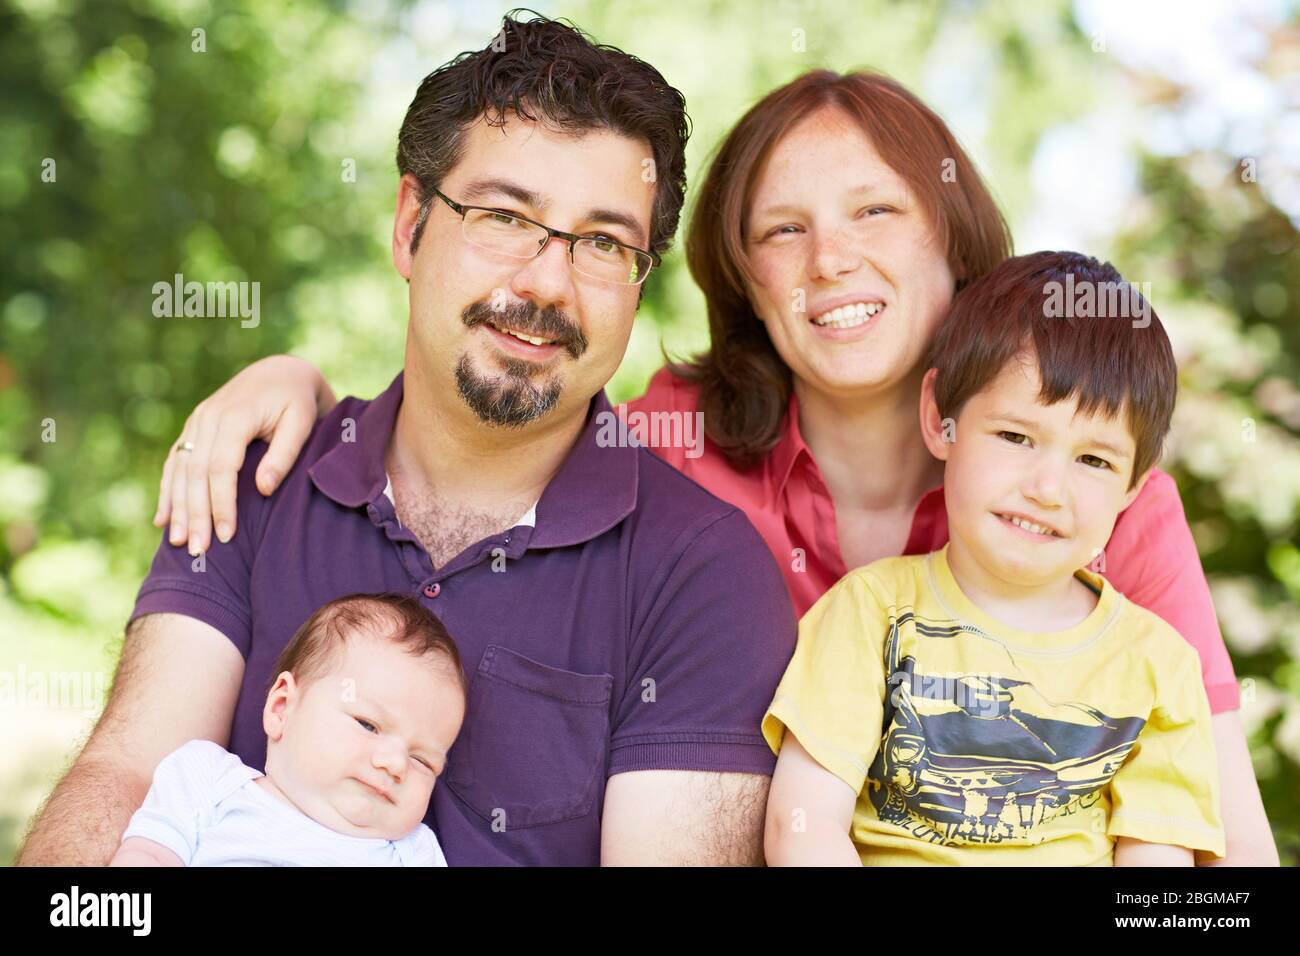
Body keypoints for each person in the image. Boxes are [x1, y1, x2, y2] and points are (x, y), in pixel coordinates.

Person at [132, 71, 1277, 864]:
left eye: (875, 210)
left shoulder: (1096, 499)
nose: (831, 257)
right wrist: (298, 387)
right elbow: (497, 415)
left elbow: (1224, 833)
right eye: (781, 230)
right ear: (742, 277)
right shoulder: (677, 436)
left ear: (953, 241)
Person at [16, 12, 796, 868]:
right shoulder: (256, 479)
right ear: (409, 224)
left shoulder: (704, 576)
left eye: (603, 242)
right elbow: (126, 774)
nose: (545, 281)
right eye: (503, 217)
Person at [763, 251, 1224, 866]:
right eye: (1015, 437)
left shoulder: (1158, 667)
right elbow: (802, 831)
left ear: (1134, 487)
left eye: (1094, 460)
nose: (1047, 488)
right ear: (940, 420)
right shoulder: (868, 613)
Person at [110, 593, 464, 867]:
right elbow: (149, 854)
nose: (395, 764)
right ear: (282, 708)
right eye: (368, 725)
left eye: (422, 760)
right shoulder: (208, 781)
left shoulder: (412, 851)